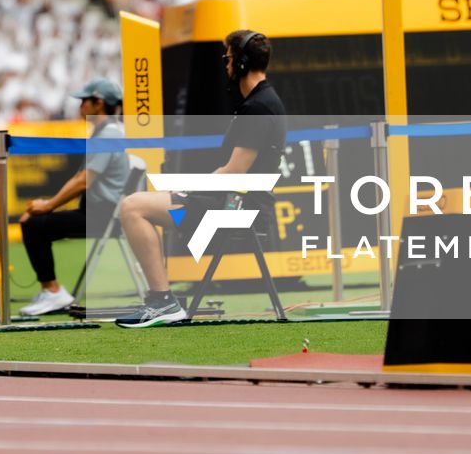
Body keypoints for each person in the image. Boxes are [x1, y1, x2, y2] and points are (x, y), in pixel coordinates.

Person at [115, 30, 286, 328]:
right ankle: (161, 299)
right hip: (235, 205)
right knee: (140, 204)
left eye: (228, 59)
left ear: (242, 63)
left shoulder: (257, 108)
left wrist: (188, 187)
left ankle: (162, 302)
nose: (227, 66)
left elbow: (234, 173)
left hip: (235, 211)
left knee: (132, 207)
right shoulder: (262, 102)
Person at [17, 78, 133, 317]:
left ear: (98, 103)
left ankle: (53, 292)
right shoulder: (110, 131)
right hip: (106, 212)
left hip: (103, 215)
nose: (80, 107)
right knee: (36, 221)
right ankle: (52, 291)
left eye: (83, 101)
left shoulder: (108, 135)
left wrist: (47, 205)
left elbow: (83, 181)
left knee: (32, 223)